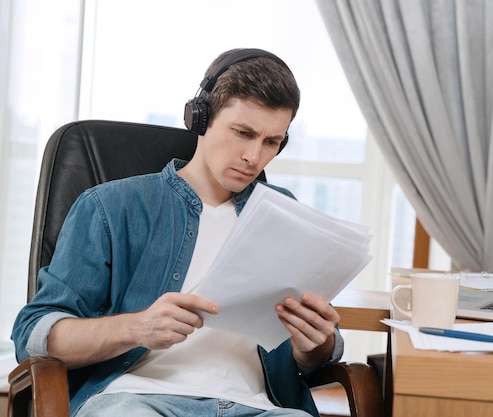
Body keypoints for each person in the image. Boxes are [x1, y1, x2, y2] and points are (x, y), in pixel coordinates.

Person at [12, 48, 343, 417]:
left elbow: (314, 360)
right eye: (243, 133)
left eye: (271, 142)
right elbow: (34, 336)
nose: (254, 156)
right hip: (137, 401)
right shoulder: (111, 207)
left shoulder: (287, 215)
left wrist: (316, 344)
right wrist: (136, 328)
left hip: (259, 408)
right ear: (201, 119)